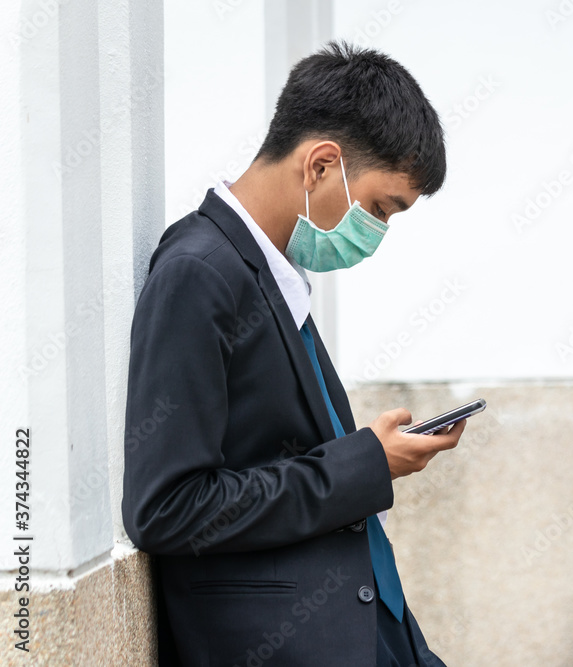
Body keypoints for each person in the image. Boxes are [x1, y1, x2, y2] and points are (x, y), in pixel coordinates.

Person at [121, 40, 463, 666]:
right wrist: (367, 464)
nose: (378, 232)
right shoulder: (199, 272)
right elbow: (167, 509)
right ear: (321, 165)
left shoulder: (272, 274)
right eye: (381, 208)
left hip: (373, 630)